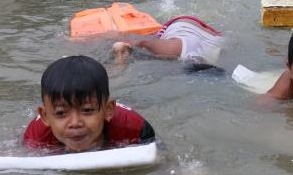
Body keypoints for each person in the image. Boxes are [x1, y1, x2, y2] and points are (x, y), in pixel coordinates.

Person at [23, 56, 155, 153]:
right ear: (45, 116)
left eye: (87, 110)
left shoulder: (136, 131)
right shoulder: (35, 140)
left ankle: (121, 56)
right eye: (61, 113)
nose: (75, 123)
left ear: (108, 110)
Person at [112, 16, 224, 67]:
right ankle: (124, 47)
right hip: (206, 43)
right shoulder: (215, 41)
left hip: (185, 38)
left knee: (146, 44)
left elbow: (145, 42)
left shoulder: (176, 46)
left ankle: (124, 47)